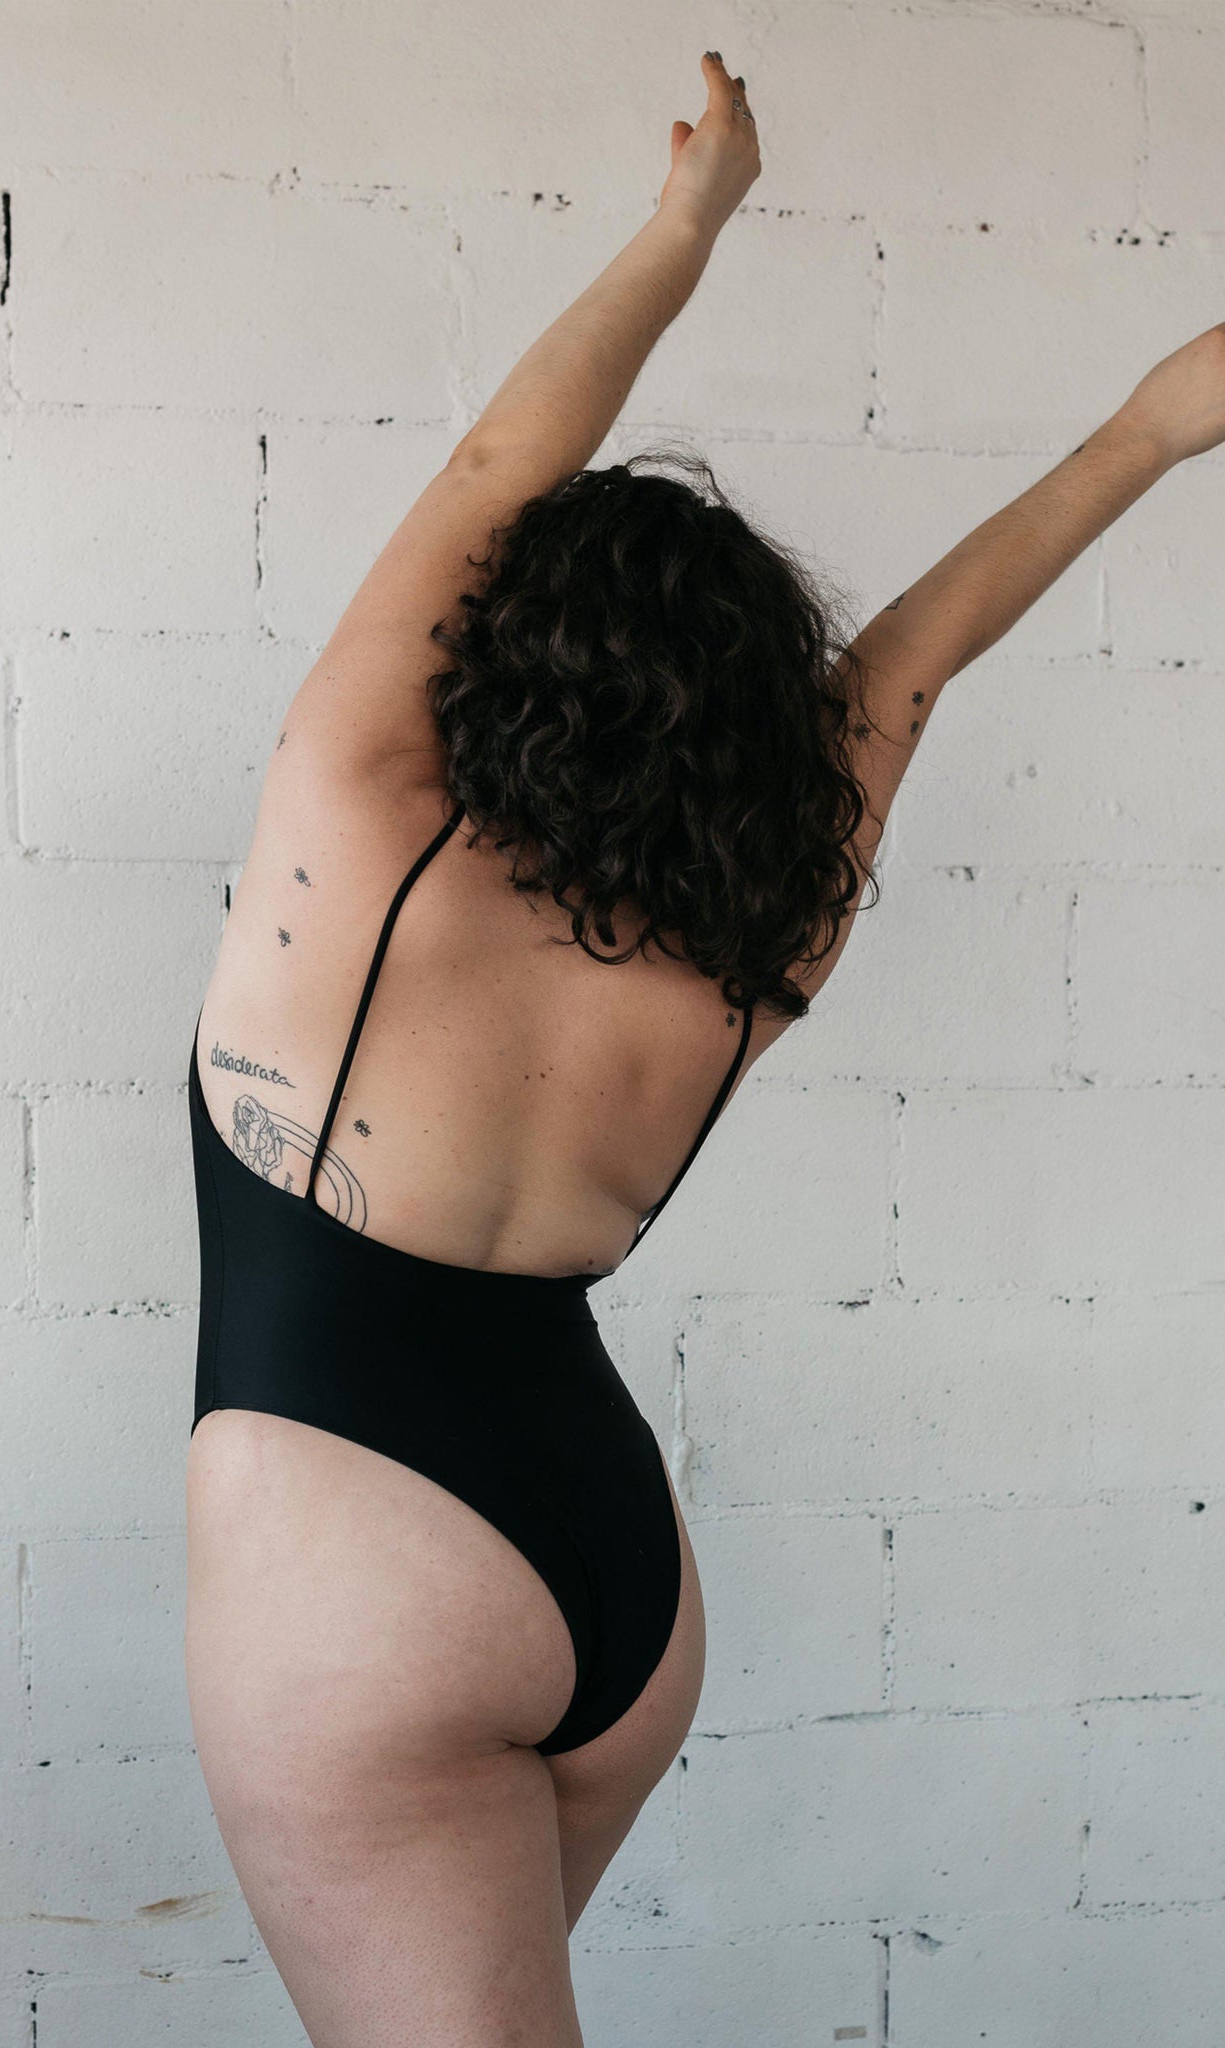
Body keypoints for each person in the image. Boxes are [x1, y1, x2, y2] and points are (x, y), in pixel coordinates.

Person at [182, 49, 1224, 2047]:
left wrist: (684, 229)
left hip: (368, 1610)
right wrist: (1148, 432)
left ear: (502, 654)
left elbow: (496, 475)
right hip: (609, 1582)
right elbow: (914, 654)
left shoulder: (356, 794)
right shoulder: (760, 929)